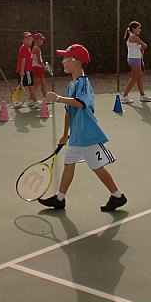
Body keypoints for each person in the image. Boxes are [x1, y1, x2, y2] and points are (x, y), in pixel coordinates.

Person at [39, 44, 127, 212]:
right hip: (77, 136)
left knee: (96, 167)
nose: (63, 61)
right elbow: (68, 112)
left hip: (88, 134)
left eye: (67, 58)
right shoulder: (71, 84)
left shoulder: (83, 83)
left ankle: (117, 196)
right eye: (63, 58)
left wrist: (58, 98)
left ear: (78, 62)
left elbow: (80, 103)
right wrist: (65, 135)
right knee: (69, 163)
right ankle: (60, 198)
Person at [121, 21, 151, 104]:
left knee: (139, 77)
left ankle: (142, 95)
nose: (140, 30)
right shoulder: (134, 37)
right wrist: (142, 47)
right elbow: (145, 45)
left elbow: (139, 46)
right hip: (135, 59)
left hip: (133, 59)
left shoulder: (130, 36)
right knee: (134, 78)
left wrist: (140, 48)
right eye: (138, 28)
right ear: (133, 29)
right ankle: (124, 96)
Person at [16, 31, 37, 107]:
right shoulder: (24, 48)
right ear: (23, 40)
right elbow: (23, 60)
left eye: (30, 39)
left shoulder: (26, 48)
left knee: (21, 86)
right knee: (31, 85)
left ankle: (17, 102)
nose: (30, 40)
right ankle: (35, 102)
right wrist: (22, 71)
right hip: (26, 71)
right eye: (27, 39)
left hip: (26, 70)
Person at [30, 32, 47, 109]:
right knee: (36, 85)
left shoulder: (35, 48)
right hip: (37, 68)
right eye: (40, 39)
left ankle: (46, 98)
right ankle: (31, 100)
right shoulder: (37, 49)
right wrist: (44, 67)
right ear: (35, 40)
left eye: (42, 39)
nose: (42, 41)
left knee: (43, 83)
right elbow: (39, 61)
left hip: (37, 67)